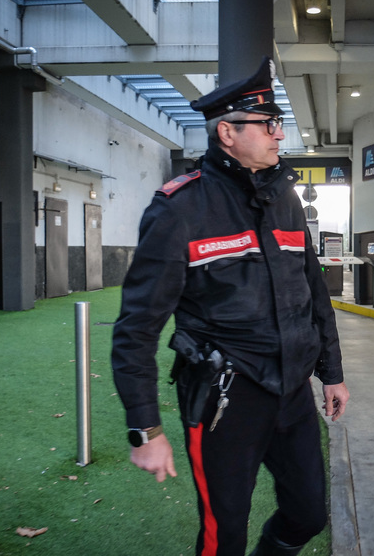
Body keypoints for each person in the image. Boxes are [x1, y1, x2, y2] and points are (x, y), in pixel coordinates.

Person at [111, 56, 350, 556]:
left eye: (276, 125)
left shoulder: (285, 199)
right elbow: (136, 328)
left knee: (308, 514)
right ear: (227, 133)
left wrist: (332, 371)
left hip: (291, 391)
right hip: (225, 399)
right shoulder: (179, 210)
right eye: (268, 126)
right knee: (225, 536)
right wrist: (145, 428)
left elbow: (313, 292)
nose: (279, 136)